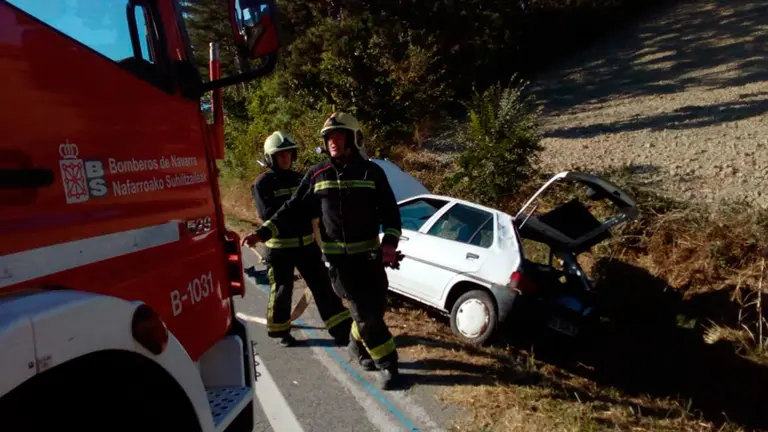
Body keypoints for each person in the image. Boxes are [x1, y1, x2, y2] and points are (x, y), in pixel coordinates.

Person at [243, 113, 404, 390]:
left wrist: (389, 243)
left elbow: (390, 211)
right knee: (364, 313)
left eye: (339, 136)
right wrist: (264, 232)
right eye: (329, 137)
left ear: (353, 139)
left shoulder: (372, 173)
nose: (333, 141)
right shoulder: (317, 174)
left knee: (374, 310)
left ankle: (355, 345)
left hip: (370, 258)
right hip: (340, 265)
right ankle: (387, 364)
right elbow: (292, 208)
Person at [250, 130, 353, 348]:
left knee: (324, 287)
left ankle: (342, 330)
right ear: (271, 158)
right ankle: (280, 332)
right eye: (280, 155)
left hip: (307, 246)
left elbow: (316, 206)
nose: (285, 158)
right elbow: (268, 215)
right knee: (282, 290)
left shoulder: (301, 179)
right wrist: (297, 214)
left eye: (288, 154)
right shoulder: (262, 184)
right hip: (279, 249)